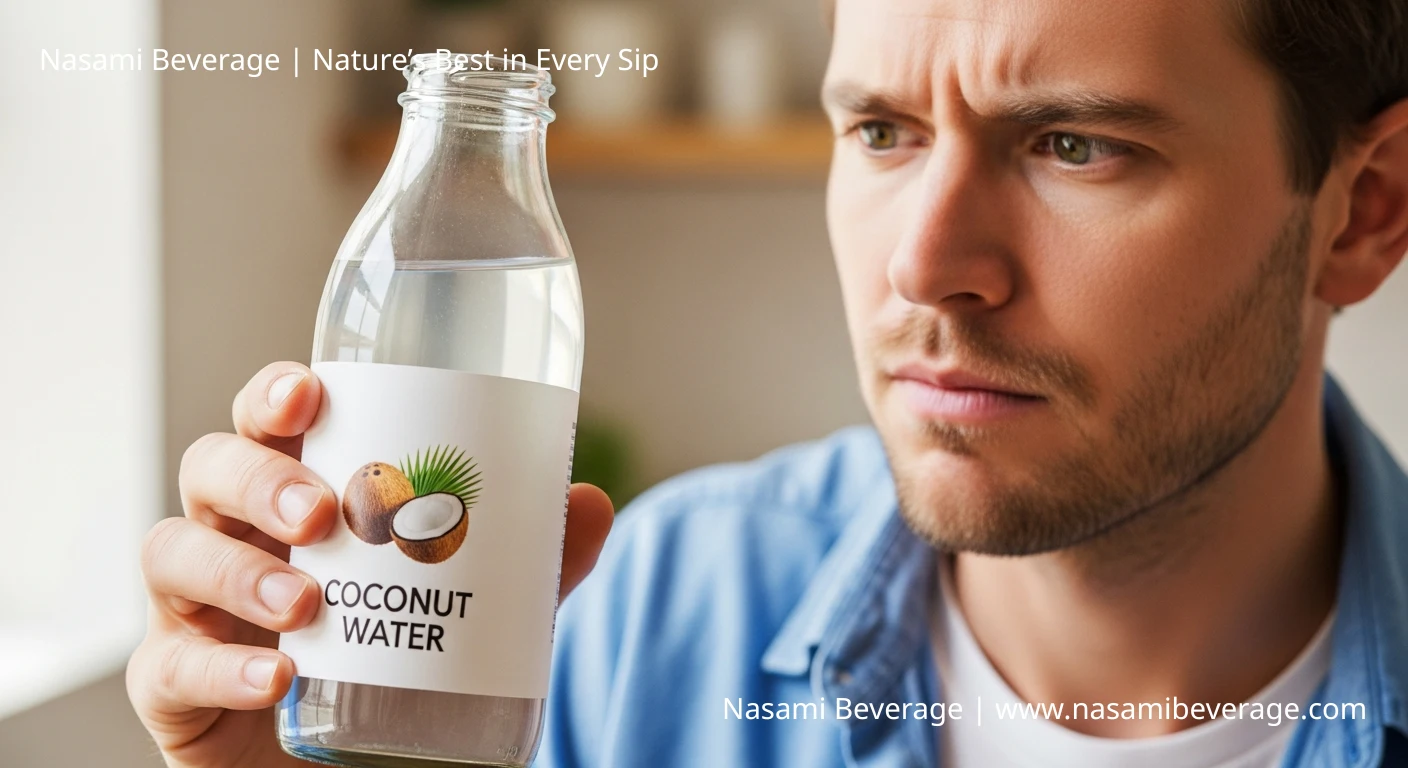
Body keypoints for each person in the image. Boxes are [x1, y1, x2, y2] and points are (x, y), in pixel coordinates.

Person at [128, 0, 1408, 765]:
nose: (923, 265)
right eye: (881, 134)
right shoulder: (636, 631)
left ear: (1363, 211)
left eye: (1076, 146)